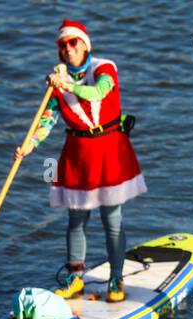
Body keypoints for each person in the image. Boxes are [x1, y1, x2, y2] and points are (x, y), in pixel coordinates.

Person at [15, 20, 146, 304]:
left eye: (73, 42)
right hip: (77, 152)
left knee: (111, 220)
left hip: (109, 148)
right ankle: (76, 278)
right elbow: (48, 119)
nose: (68, 48)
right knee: (76, 220)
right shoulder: (56, 81)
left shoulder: (104, 67)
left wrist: (66, 84)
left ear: (85, 44)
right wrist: (30, 145)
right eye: (62, 44)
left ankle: (116, 278)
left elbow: (98, 92)